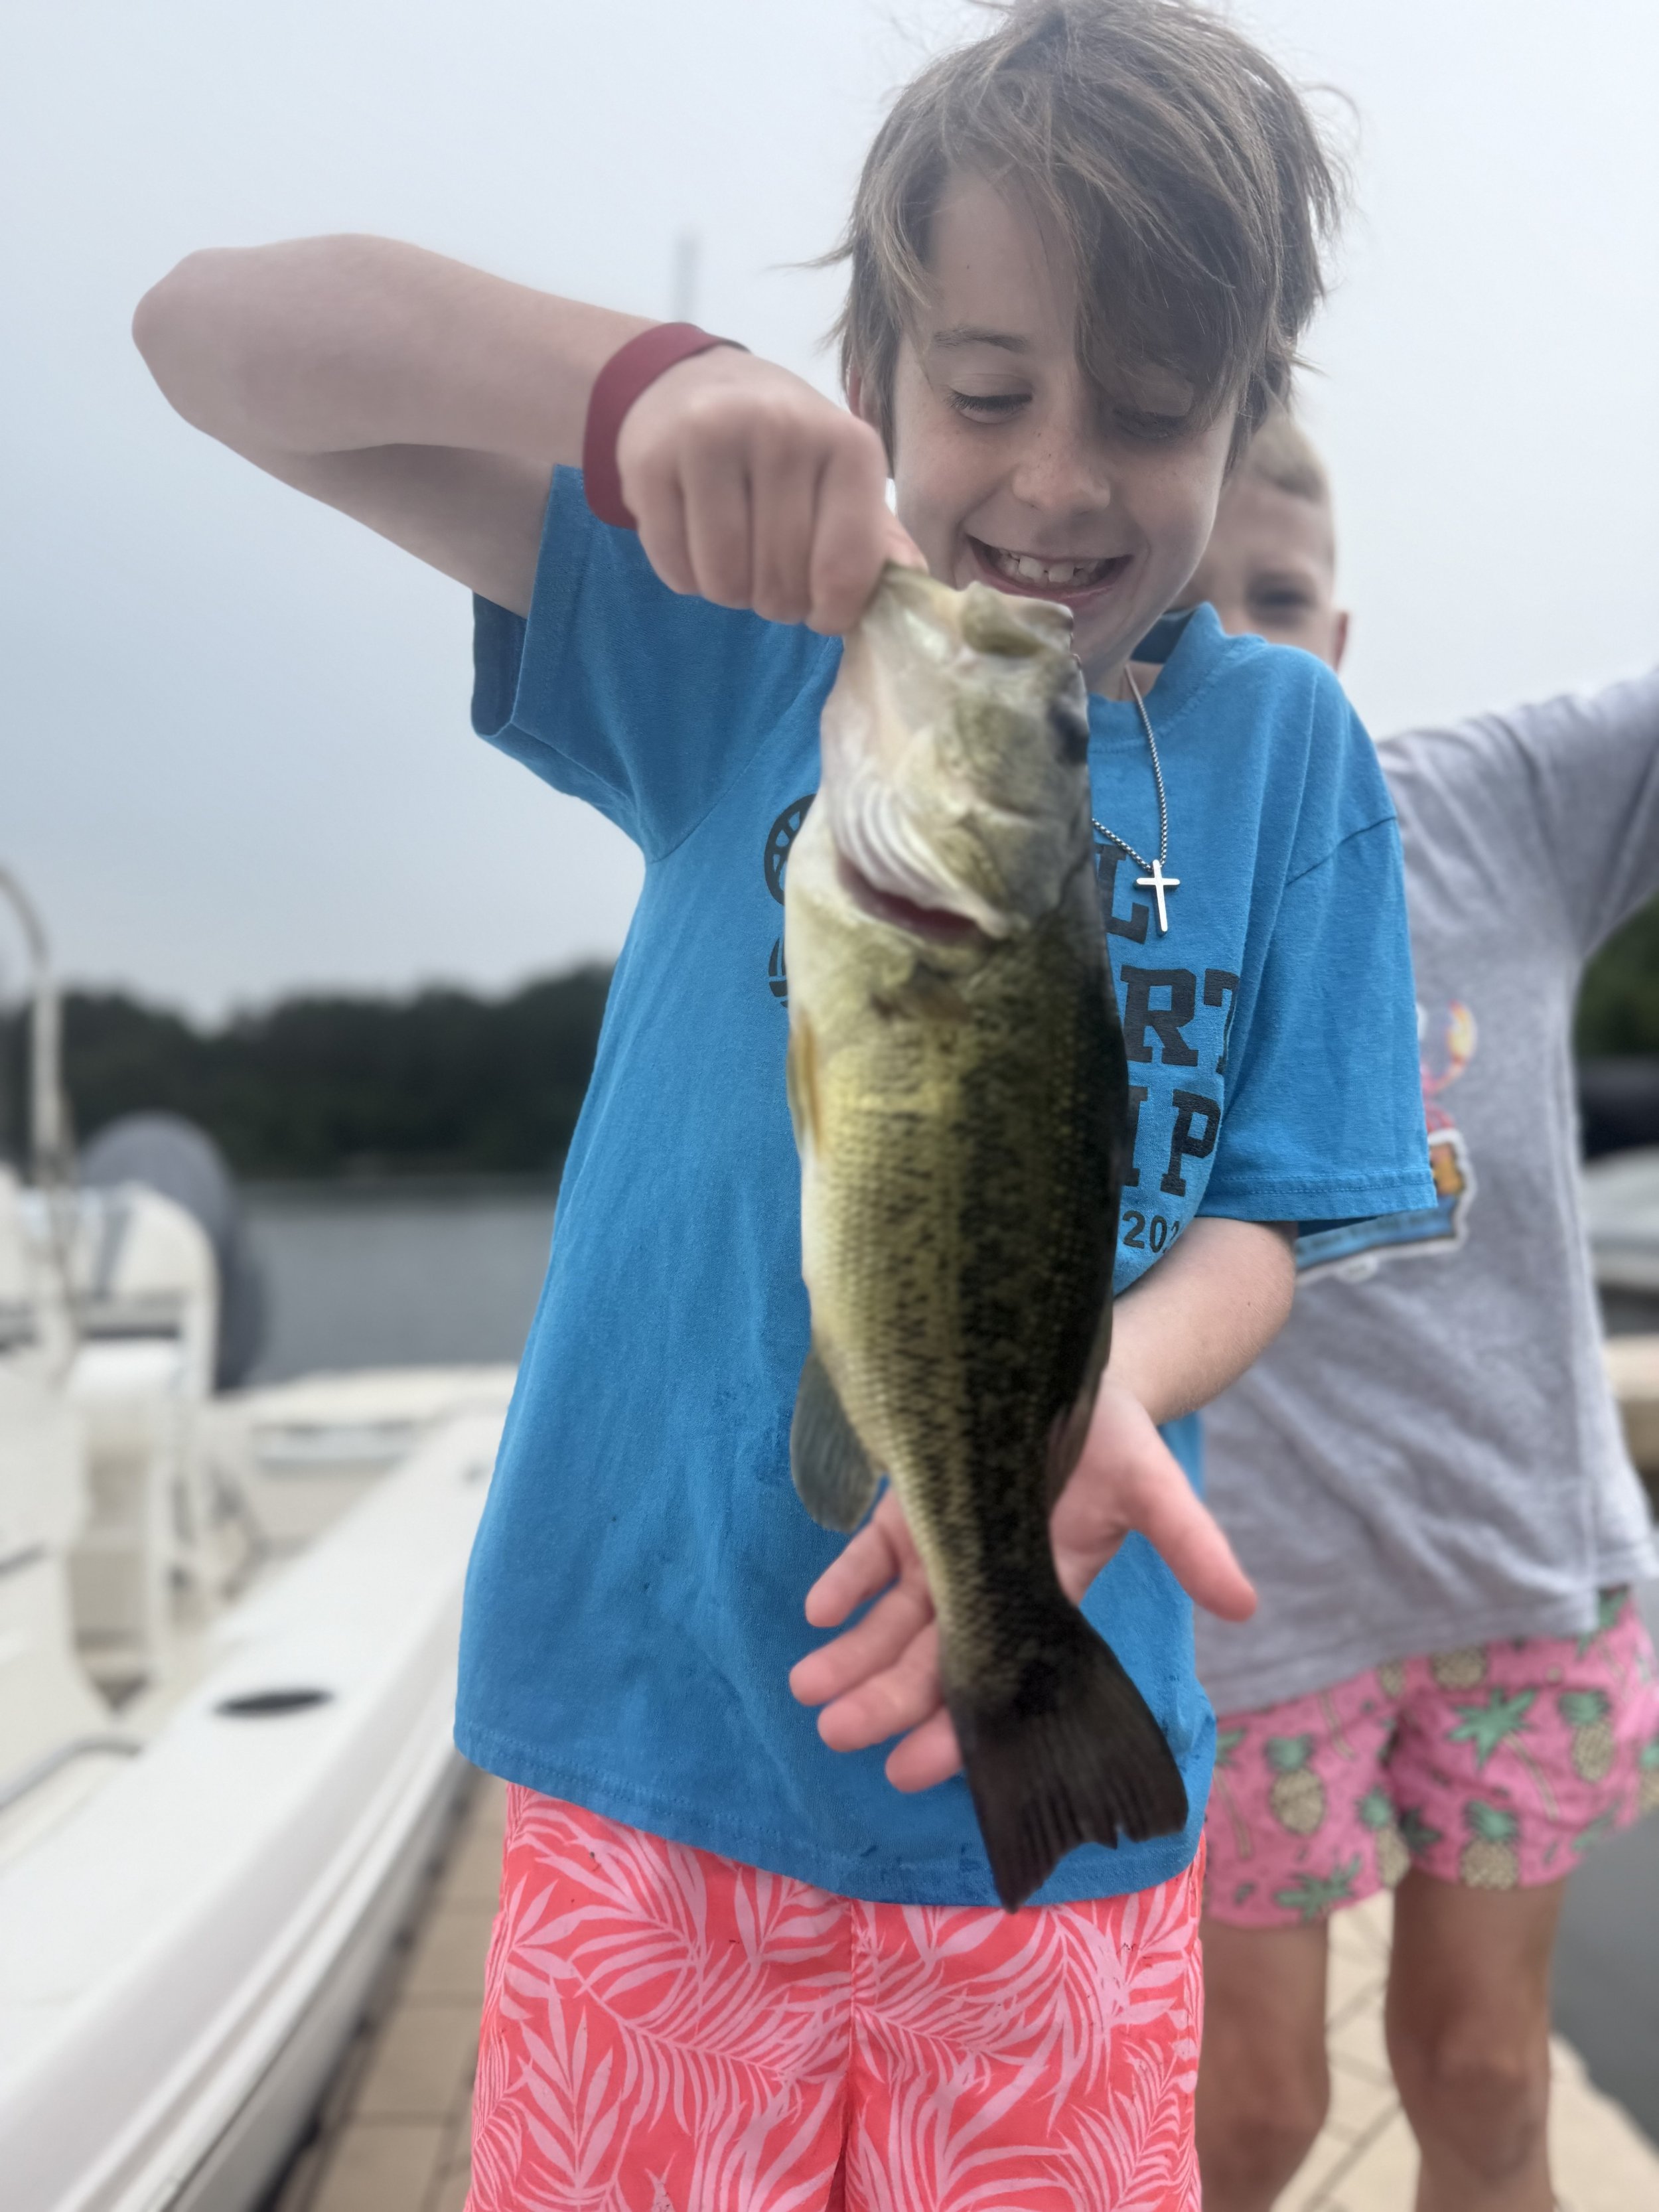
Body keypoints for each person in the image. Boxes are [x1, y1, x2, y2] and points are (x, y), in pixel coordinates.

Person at [132, 5, 1433, 2203]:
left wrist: (1090, 1373)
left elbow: (1270, 1219)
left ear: (1247, 409)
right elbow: (205, 337)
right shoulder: (747, 640)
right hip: (651, 1730)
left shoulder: (1289, 757)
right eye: (991, 387)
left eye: (1148, 411)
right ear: (873, 377)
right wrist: (636, 389)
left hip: (1033, 1745)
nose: (1052, 478)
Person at [1185, 409, 1659, 2212]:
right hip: (1248, 1614)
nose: (1233, 641)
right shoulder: (1082, 872)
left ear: (1339, 638)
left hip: (1511, 1570)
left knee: (1477, 2073)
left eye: (1278, 598)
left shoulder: (1497, 809)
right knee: (1249, 2108)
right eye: (1185, 603)